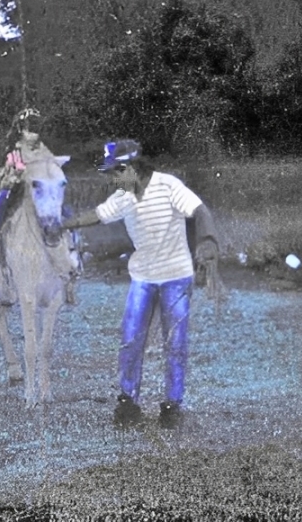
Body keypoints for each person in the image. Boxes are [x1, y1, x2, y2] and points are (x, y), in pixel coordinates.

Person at [62, 139, 226, 428]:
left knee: (174, 343)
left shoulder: (168, 186)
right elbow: (97, 215)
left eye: (115, 172)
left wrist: (207, 240)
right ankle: (127, 403)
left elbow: (200, 211)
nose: (112, 178)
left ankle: (172, 406)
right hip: (143, 279)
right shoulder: (124, 196)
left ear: (132, 167)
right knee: (130, 340)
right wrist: (64, 225)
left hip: (175, 277)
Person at [0, 107, 52, 266]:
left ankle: (68, 243)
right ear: (21, 130)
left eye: (36, 130)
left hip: (35, 186)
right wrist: (15, 174)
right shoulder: (13, 148)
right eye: (29, 130)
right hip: (14, 187)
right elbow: (7, 169)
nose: (33, 135)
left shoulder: (41, 148)